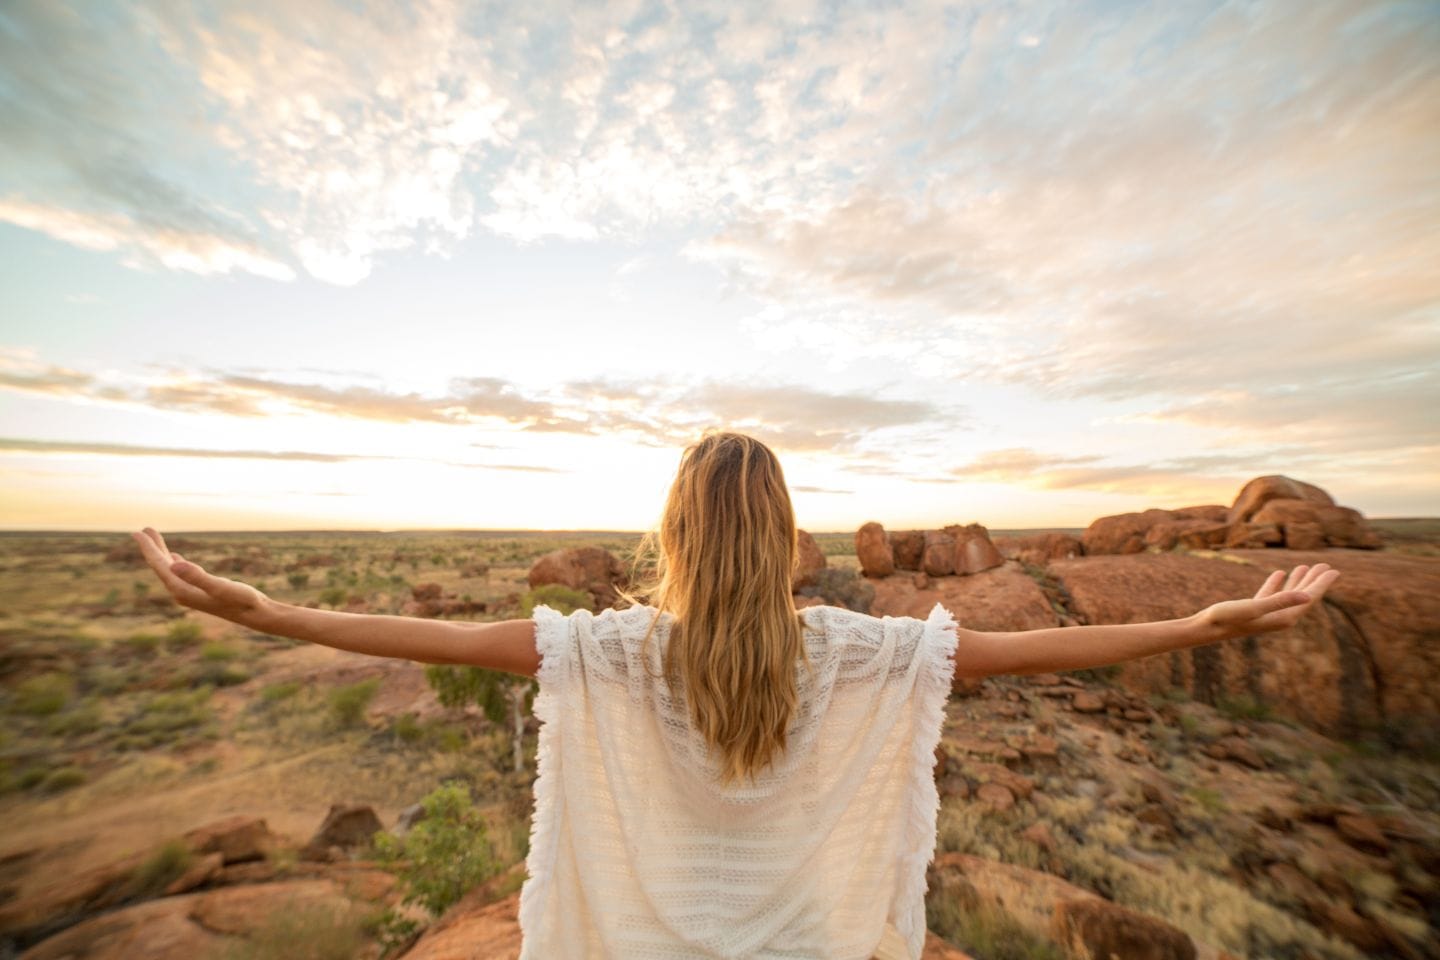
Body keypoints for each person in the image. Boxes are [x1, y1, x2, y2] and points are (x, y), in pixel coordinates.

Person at [130, 430, 1340, 960]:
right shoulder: (850, 652)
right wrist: (1200, 617)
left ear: (675, 535)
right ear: (784, 536)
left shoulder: (609, 652)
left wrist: (266, 610)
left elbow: (437, 635)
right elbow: (1037, 656)